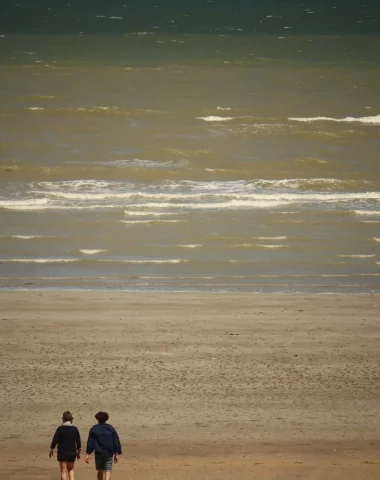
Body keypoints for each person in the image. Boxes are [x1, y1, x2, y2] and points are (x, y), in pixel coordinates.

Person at [85, 411, 122, 480]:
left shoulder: (94, 429)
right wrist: (117, 453)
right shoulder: (111, 428)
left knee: (100, 469)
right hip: (109, 451)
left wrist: (88, 453)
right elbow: (115, 441)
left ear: (97, 419)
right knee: (108, 469)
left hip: (99, 452)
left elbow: (90, 442)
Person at [49, 411, 81, 480]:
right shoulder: (75, 429)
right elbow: (78, 442)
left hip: (62, 452)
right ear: (71, 419)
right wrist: (78, 452)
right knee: (71, 469)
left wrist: (51, 448)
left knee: (63, 471)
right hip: (72, 452)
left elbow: (55, 440)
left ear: (63, 419)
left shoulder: (60, 429)